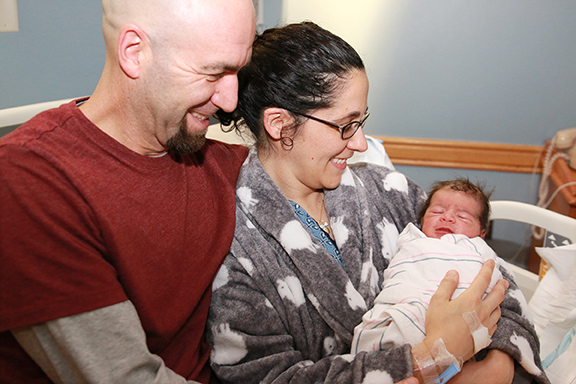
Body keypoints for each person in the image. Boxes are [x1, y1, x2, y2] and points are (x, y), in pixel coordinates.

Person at [205, 22, 521, 384]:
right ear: (279, 124)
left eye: (362, 120)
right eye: (345, 125)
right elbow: (270, 376)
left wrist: (498, 362)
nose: (359, 143)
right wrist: (428, 357)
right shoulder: (235, 249)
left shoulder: (387, 191)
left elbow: (486, 268)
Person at [0, 0, 255, 383]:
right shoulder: (29, 182)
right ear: (134, 52)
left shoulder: (220, 164)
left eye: (238, 72)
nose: (229, 101)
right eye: (212, 72)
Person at [352, 179, 549, 384]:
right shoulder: (411, 240)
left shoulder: (480, 251)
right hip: (404, 312)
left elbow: (507, 298)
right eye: (437, 212)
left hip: (463, 325)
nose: (447, 217)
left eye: (462, 216)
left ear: (482, 233)